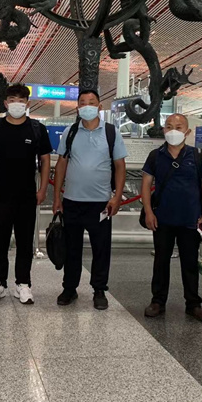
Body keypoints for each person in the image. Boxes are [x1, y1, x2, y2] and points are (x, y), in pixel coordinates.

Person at [52, 90, 127, 310]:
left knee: (101, 249)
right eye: (82, 102)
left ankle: (99, 290)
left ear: (99, 107)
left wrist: (116, 197)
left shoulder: (111, 132)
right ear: (77, 108)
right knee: (72, 248)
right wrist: (57, 197)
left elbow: (120, 166)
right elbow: (61, 164)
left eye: (91, 102)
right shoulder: (71, 132)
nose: (87, 106)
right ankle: (69, 288)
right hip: (72, 201)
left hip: (101, 203)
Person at [0, 84, 52, 305]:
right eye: (12, 100)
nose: (16, 104)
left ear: (27, 103)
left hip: (27, 195)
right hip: (1, 193)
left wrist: (42, 189)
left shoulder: (37, 129)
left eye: (21, 101)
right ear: (5, 103)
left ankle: (23, 284)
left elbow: (45, 160)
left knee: (25, 241)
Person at [141, 114, 202, 322]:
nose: (173, 130)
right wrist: (148, 211)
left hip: (190, 220)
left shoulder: (197, 155)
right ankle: (158, 301)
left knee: (190, 263)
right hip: (162, 219)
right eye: (169, 126)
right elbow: (145, 184)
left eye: (179, 127)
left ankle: (193, 304)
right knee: (160, 261)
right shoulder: (155, 156)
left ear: (187, 132)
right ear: (164, 130)